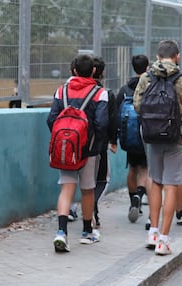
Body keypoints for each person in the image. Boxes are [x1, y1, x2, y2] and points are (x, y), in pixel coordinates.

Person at [133, 40, 182, 255]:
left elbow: (138, 106)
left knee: (156, 182)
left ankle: (152, 231)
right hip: (175, 138)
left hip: (151, 136)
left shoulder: (146, 77)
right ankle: (164, 241)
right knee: (172, 185)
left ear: (158, 57)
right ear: (177, 56)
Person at [47, 54, 109, 252]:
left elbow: (51, 119)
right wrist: (95, 144)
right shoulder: (100, 93)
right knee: (88, 189)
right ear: (93, 71)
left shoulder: (61, 91)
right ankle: (86, 232)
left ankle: (61, 233)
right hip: (88, 151)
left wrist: (64, 140)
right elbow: (102, 123)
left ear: (74, 70)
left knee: (66, 188)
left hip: (65, 150)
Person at [116, 54, 150, 223]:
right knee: (145, 170)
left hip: (129, 138)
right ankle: (140, 196)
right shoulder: (150, 86)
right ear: (147, 67)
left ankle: (132, 201)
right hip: (145, 136)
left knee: (132, 170)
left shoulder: (124, 90)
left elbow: (116, 114)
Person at [90, 56, 118, 228]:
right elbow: (112, 120)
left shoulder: (71, 91)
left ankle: (77, 210)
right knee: (102, 179)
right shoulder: (106, 94)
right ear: (103, 73)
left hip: (76, 144)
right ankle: (91, 205)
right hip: (98, 144)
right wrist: (113, 140)